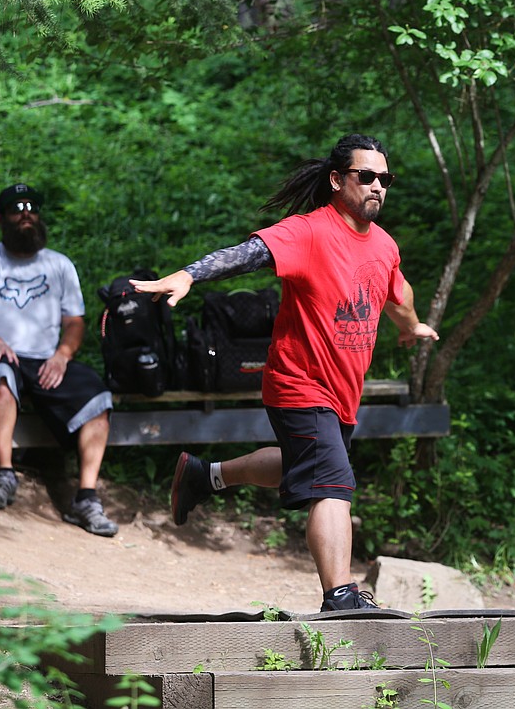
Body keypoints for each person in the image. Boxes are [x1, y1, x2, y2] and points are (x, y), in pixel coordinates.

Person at [132, 133, 439, 611]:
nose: (378, 185)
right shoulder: (311, 231)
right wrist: (190, 274)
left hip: (342, 392)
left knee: (304, 465)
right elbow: (250, 253)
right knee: (333, 482)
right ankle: (340, 596)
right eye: (367, 176)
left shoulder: (383, 245)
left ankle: (205, 475)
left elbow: (399, 296)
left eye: (385, 178)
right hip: (299, 382)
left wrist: (412, 326)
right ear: (338, 180)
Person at [0, 183, 119, 538]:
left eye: (31, 207)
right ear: (1, 218)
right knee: (1, 373)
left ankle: (86, 498)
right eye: (16, 208)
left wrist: (62, 355)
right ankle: (4, 473)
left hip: (46, 360)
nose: (25, 213)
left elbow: (75, 322)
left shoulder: (58, 265)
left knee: (96, 397)